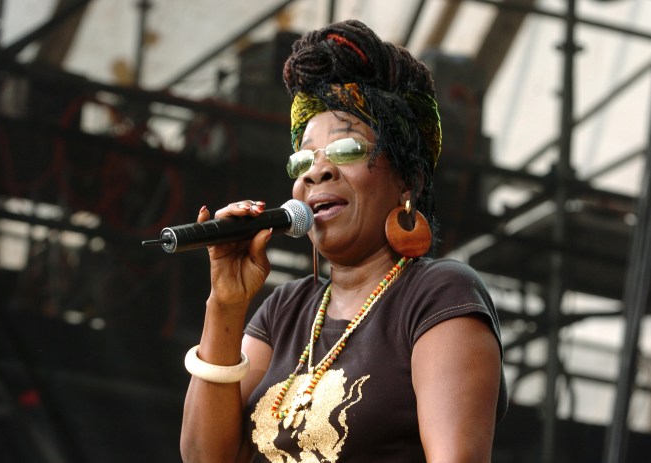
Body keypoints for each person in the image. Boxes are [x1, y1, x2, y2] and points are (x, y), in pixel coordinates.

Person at [180, 19, 506, 463]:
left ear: (406, 180)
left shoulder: (437, 295)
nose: (317, 171)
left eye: (347, 150)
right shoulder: (286, 309)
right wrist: (225, 302)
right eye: (303, 161)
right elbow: (204, 458)